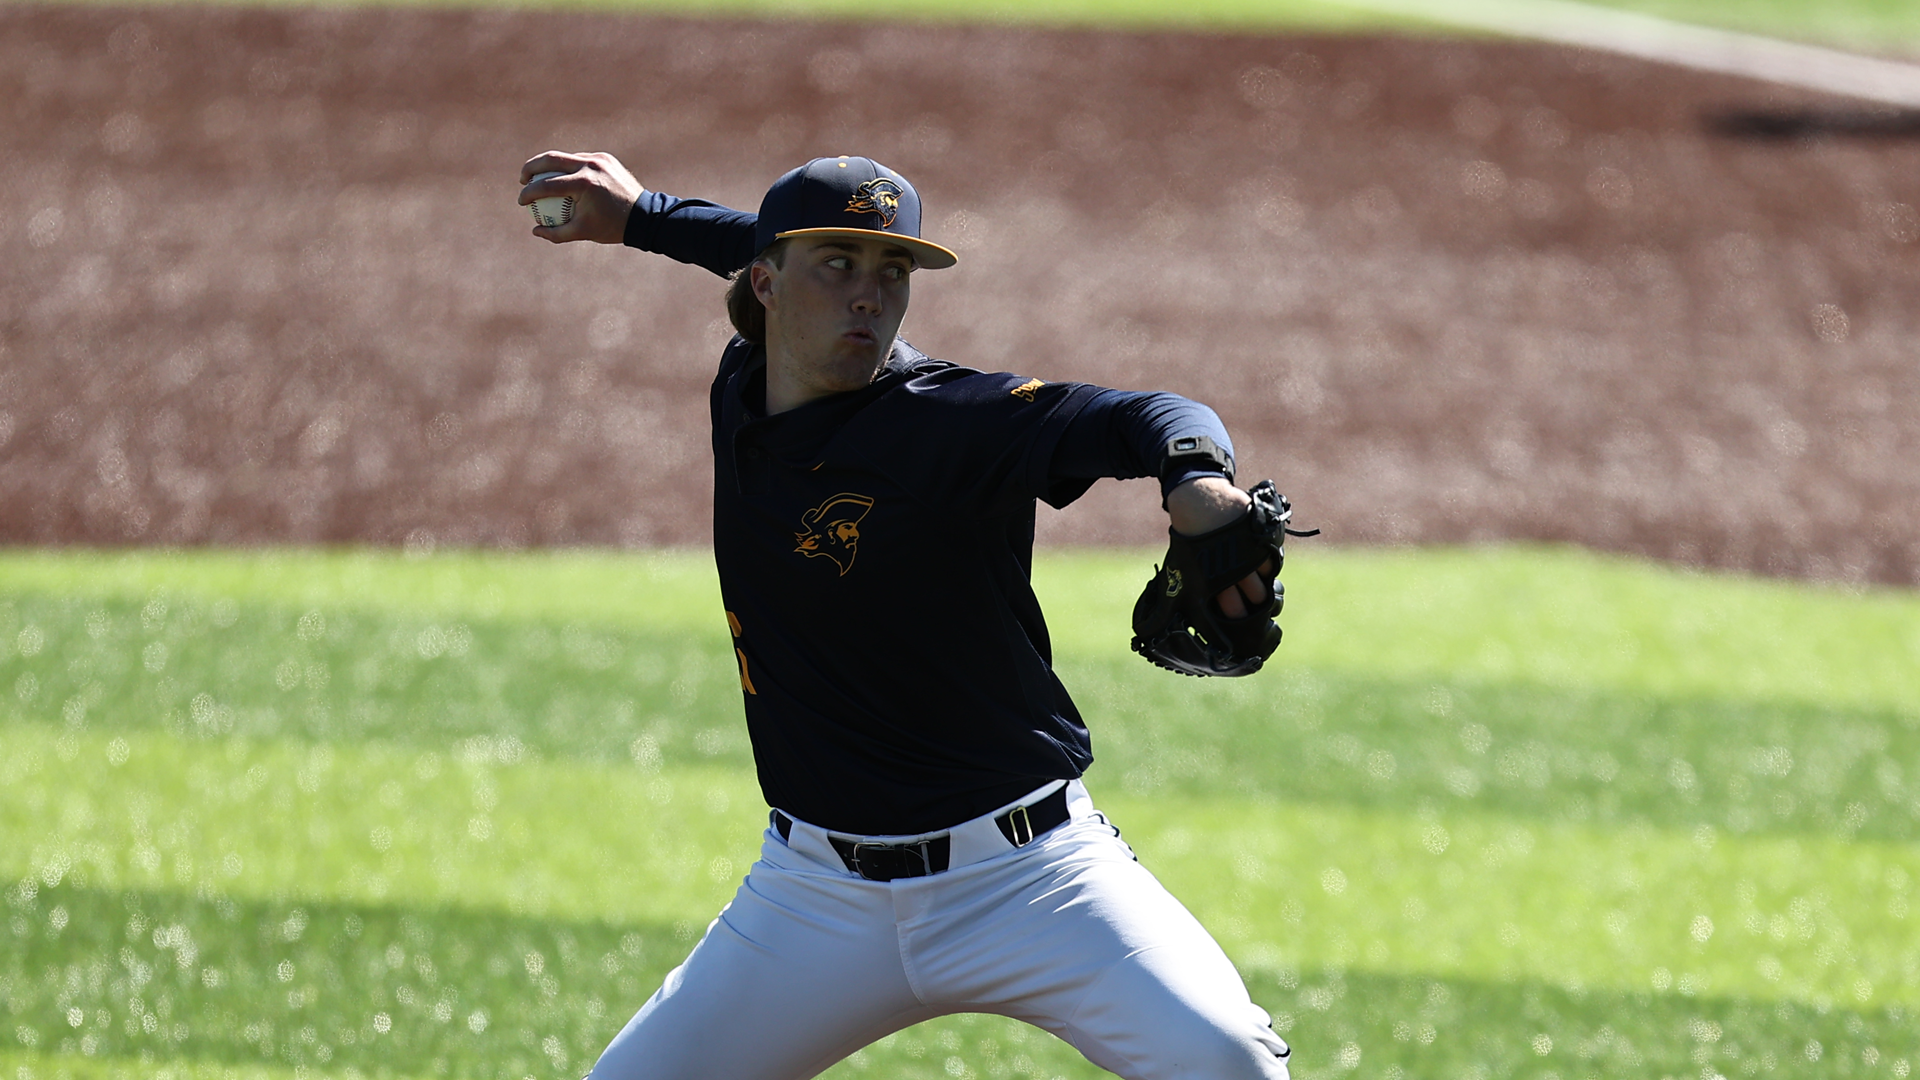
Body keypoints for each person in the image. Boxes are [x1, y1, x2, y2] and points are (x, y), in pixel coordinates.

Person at [518, 151, 1294, 1080]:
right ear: (764, 286)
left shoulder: (957, 420)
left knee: (1229, 1063)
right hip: (812, 899)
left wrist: (1197, 478)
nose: (869, 296)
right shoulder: (743, 376)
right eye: (840, 266)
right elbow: (744, 240)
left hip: (1032, 878)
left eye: (893, 272)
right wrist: (643, 214)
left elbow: (1150, 412)